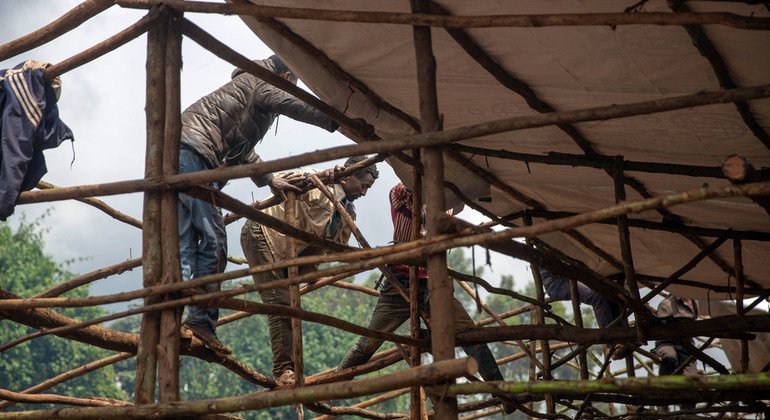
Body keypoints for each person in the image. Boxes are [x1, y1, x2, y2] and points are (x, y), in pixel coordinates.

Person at [178, 55, 342, 354]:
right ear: (289, 77)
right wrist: (337, 119)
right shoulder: (263, 82)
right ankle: (200, 321)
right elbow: (294, 105)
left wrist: (270, 179)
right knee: (213, 240)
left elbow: (242, 146)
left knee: (187, 242)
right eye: (295, 83)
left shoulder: (247, 86)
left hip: (184, 150)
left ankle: (174, 317)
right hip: (196, 153)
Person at [336, 182, 513, 412]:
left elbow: (454, 210)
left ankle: (502, 392)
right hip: (400, 278)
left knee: (471, 337)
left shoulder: (446, 204)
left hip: (434, 282)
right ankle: (332, 388)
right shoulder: (401, 193)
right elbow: (407, 186)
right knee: (368, 343)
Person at [240, 156, 379, 386]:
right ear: (347, 177)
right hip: (263, 234)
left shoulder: (348, 212)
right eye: (363, 185)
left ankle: (292, 369)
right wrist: (320, 176)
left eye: (368, 188)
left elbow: (337, 249)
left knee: (292, 305)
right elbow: (283, 180)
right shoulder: (319, 180)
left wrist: (369, 256)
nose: (364, 192)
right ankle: (284, 371)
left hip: (290, 254)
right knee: (280, 302)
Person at [538, 268, 630, 359]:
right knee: (597, 296)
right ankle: (611, 345)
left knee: (610, 292)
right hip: (557, 283)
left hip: (571, 277)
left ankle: (623, 337)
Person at [652, 294, 699, 376]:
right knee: (670, 357)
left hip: (687, 345)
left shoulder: (694, 302)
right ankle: (663, 384)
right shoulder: (667, 303)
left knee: (692, 375)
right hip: (667, 343)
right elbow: (660, 329)